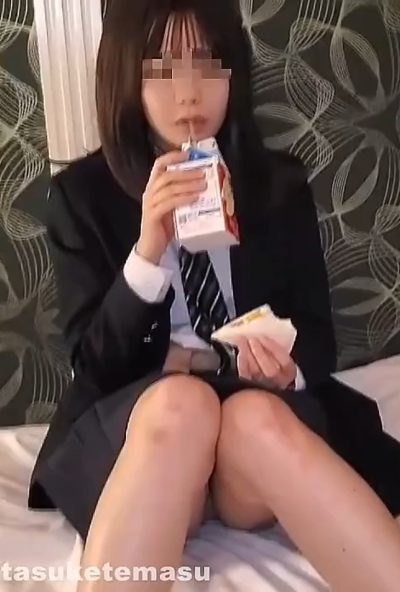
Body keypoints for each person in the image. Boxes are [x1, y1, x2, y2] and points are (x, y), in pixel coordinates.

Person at [28, 1, 400, 591]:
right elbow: (93, 367)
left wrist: (284, 370)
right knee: (182, 406)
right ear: (127, 79)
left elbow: (317, 336)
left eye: (207, 63)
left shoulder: (278, 184)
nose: (189, 92)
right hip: (145, 437)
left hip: (247, 447)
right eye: (162, 69)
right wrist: (147, 252)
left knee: (255, 416)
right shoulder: (82, 198)